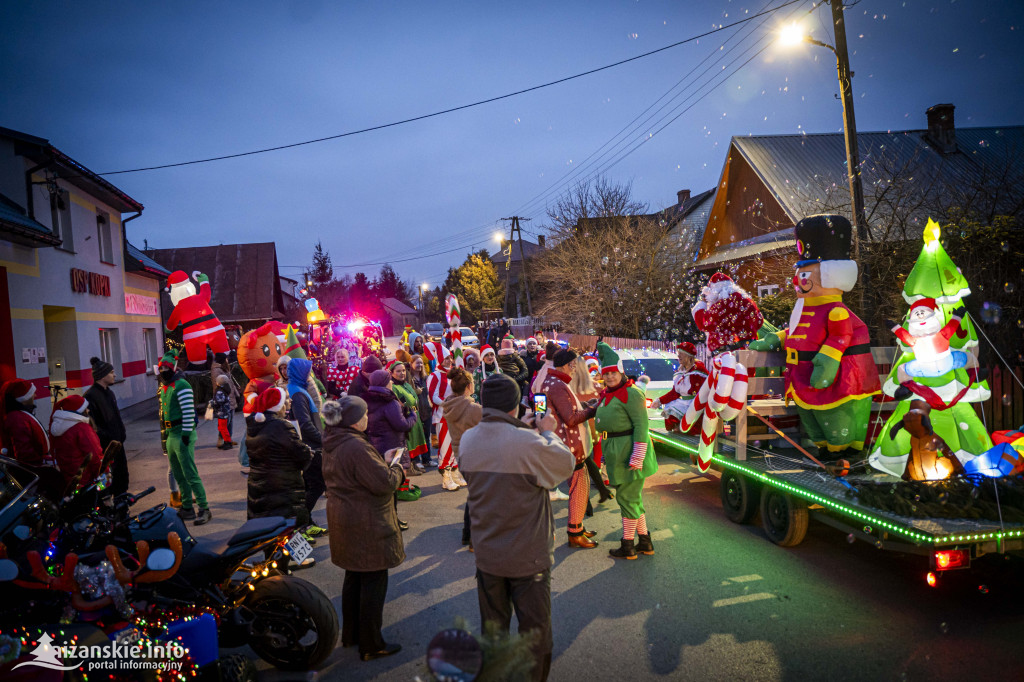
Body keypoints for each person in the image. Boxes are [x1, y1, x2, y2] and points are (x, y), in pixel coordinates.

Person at [460, 374, 575, 682]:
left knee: (493, 630)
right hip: (528, 557)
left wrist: (522, 429)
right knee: (534, 634)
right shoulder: (529, 442)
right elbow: (565, 465)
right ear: (516, 404)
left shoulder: (469, 439)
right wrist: (548, 433)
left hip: (488, 555)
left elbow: (498, 453)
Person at [321, 396, 405, 661]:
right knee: (373, 580)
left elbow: (357, 472)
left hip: (344, 517)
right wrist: (398, 469)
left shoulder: (335, 440)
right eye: (365, 414)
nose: (368, 418)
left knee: (355, 576)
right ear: (355, 420)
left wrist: (381, 459)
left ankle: (352, 634)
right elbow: (383, 483)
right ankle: (371, 644)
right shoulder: (356, 446)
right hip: (365, 521)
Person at [593, 342, 658, 559]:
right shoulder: (609, 393)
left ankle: (628, 545)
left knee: (626, 498)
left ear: (621, 372)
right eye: (606, 373)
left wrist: (638, 456)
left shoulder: (632, 393)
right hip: (616, 453)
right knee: (632, 499)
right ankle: (645, 542)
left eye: (613, 373)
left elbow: (642, 425)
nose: (610, 377)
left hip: (630, 453)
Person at [538, 349, 600, 548]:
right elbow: (571, 418)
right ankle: (575, 531)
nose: (575, 368)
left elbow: (544, 411)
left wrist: (584, 404)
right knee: (579, 486)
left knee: (580, 484)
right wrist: (593, 410)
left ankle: (578, 528)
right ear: (566, 365)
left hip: (555, 442)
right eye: (573, 364)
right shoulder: (558, 385)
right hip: (567, 445)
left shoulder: (548, 382)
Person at [159, 350, 212, 525]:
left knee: (190, 473)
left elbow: (189, 413)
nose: (163, 371)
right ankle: (187, 507)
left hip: (182, 433)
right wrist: (166, 437)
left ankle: (204, 508)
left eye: (166, 367)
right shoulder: (166, 387)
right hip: (171, 435)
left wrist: (186, 435)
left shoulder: (181, 385)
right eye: (161, 368)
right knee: (179, 475)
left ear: (173, 367)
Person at [365, 368, 418, 513]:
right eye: (388, 379)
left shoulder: (367, 399)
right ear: (384, 382)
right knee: (392, 484)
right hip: (392, 447)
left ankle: (387, 516)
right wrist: (413, 416)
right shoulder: (390, 402)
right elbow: (401, 425)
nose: (390, 382)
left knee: (382, 483)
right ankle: (393, 517)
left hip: (375, 446)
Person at [287, 357, 328, 539]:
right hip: (311, 448)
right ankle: (300, 524)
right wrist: (322, 440)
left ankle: (306, 522)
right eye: (307, 371)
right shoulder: (297, 394)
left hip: (312, 446)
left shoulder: (297, 390)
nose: (310, 374)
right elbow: (304, 424)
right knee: (317, 485)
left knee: (309, 486)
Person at [442, 367, 482, 546]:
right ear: (468, 386)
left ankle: (467, 535)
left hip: (461, 454)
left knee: (474, 496)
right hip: (476, 456)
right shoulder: (472, 408)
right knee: (480, 499)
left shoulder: (451, 404)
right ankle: (474, 539)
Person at [568, 355, 614, 506]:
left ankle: (586, 491)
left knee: (580, 461)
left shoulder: (568, 387)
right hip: (595, 425)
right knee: (596, 450)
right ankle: (602, 480)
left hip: (578, 428)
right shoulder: (597, 387)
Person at [84, 356, 129, 494]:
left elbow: (116, 417)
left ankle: (122, 506)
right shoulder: (90, 396)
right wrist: (108, 438)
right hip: (105, 448)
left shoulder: (109, 393)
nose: (114, 375)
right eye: (111, 372)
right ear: (102, 376)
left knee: (122, 478)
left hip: (117, 444)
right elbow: (93, 425)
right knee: (109, 482)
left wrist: (121, 434)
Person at [49, 395, 105, 492]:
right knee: (94, 504)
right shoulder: (82, 428)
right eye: (85, 408)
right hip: (87, 480)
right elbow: (94, 456)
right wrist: (102, 478)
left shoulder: (59, 428)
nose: (88, 410)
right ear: (79, 411)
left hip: (70, 479)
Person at [426, 342, 462, 491]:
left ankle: (454, 474)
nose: (448, 361)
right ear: (440, 359)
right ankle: (446, 478)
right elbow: (433, 396)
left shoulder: (453, 374)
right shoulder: (435, 375)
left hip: (455, 415)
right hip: (443, 416)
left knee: (454, 446)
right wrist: (447, 404)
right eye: (445, 358)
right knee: (445, 447)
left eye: (450, 358)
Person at [389, 361, 428, 475]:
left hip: (415, 416)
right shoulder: (394, 387)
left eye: (403, 371)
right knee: (409, 443)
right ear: (392, 373)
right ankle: (408, 467)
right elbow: (403, 403)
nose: (402, 373)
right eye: (398, 371)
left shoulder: (406, 384)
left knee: (416, 441)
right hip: (407, 417)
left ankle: (414, 464)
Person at [0, 379, 51, 467]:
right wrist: (40, 464)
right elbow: (24, 453)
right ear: (23, 399)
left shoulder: (20, 415)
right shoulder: (17, 419)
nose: (35, 395)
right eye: (32, 394)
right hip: (34, 467)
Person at [210, 355, 240, 447]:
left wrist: (237, 394)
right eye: (226, 359)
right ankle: (221, 439)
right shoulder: (217, 370)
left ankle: (228, 439)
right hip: (224, 399)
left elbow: (231, 383)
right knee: (224, 421)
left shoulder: (224, 369)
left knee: (230, 421)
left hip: (231, 398)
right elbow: (220, 384)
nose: (227, 360)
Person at [410, 355, 432, 472]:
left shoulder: (425, 378)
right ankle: (417, 461)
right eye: (417, 363)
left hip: (427, 410)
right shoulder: (410, 379)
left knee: (427, 436)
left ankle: (427, 459)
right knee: (418, 436)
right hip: (416, 412)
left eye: (421, 363)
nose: (420, 365)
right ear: (411, 364)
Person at [496, 338, 529, 405]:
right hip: (515, 379)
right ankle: (524, 399)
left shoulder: (498, 357)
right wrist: (517, 379)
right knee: (526, 384)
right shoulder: (515, 356)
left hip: (502, 380)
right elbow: (525, 369)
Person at [212, 375, 236, 449]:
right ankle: (226, 441)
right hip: (224, 412)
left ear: (218, 383)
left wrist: (212, 403)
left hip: (222, 413)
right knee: (222, 427)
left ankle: (227, 442)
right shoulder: (225, 388)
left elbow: (219, 401)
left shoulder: (220, 391)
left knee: (223, 428)